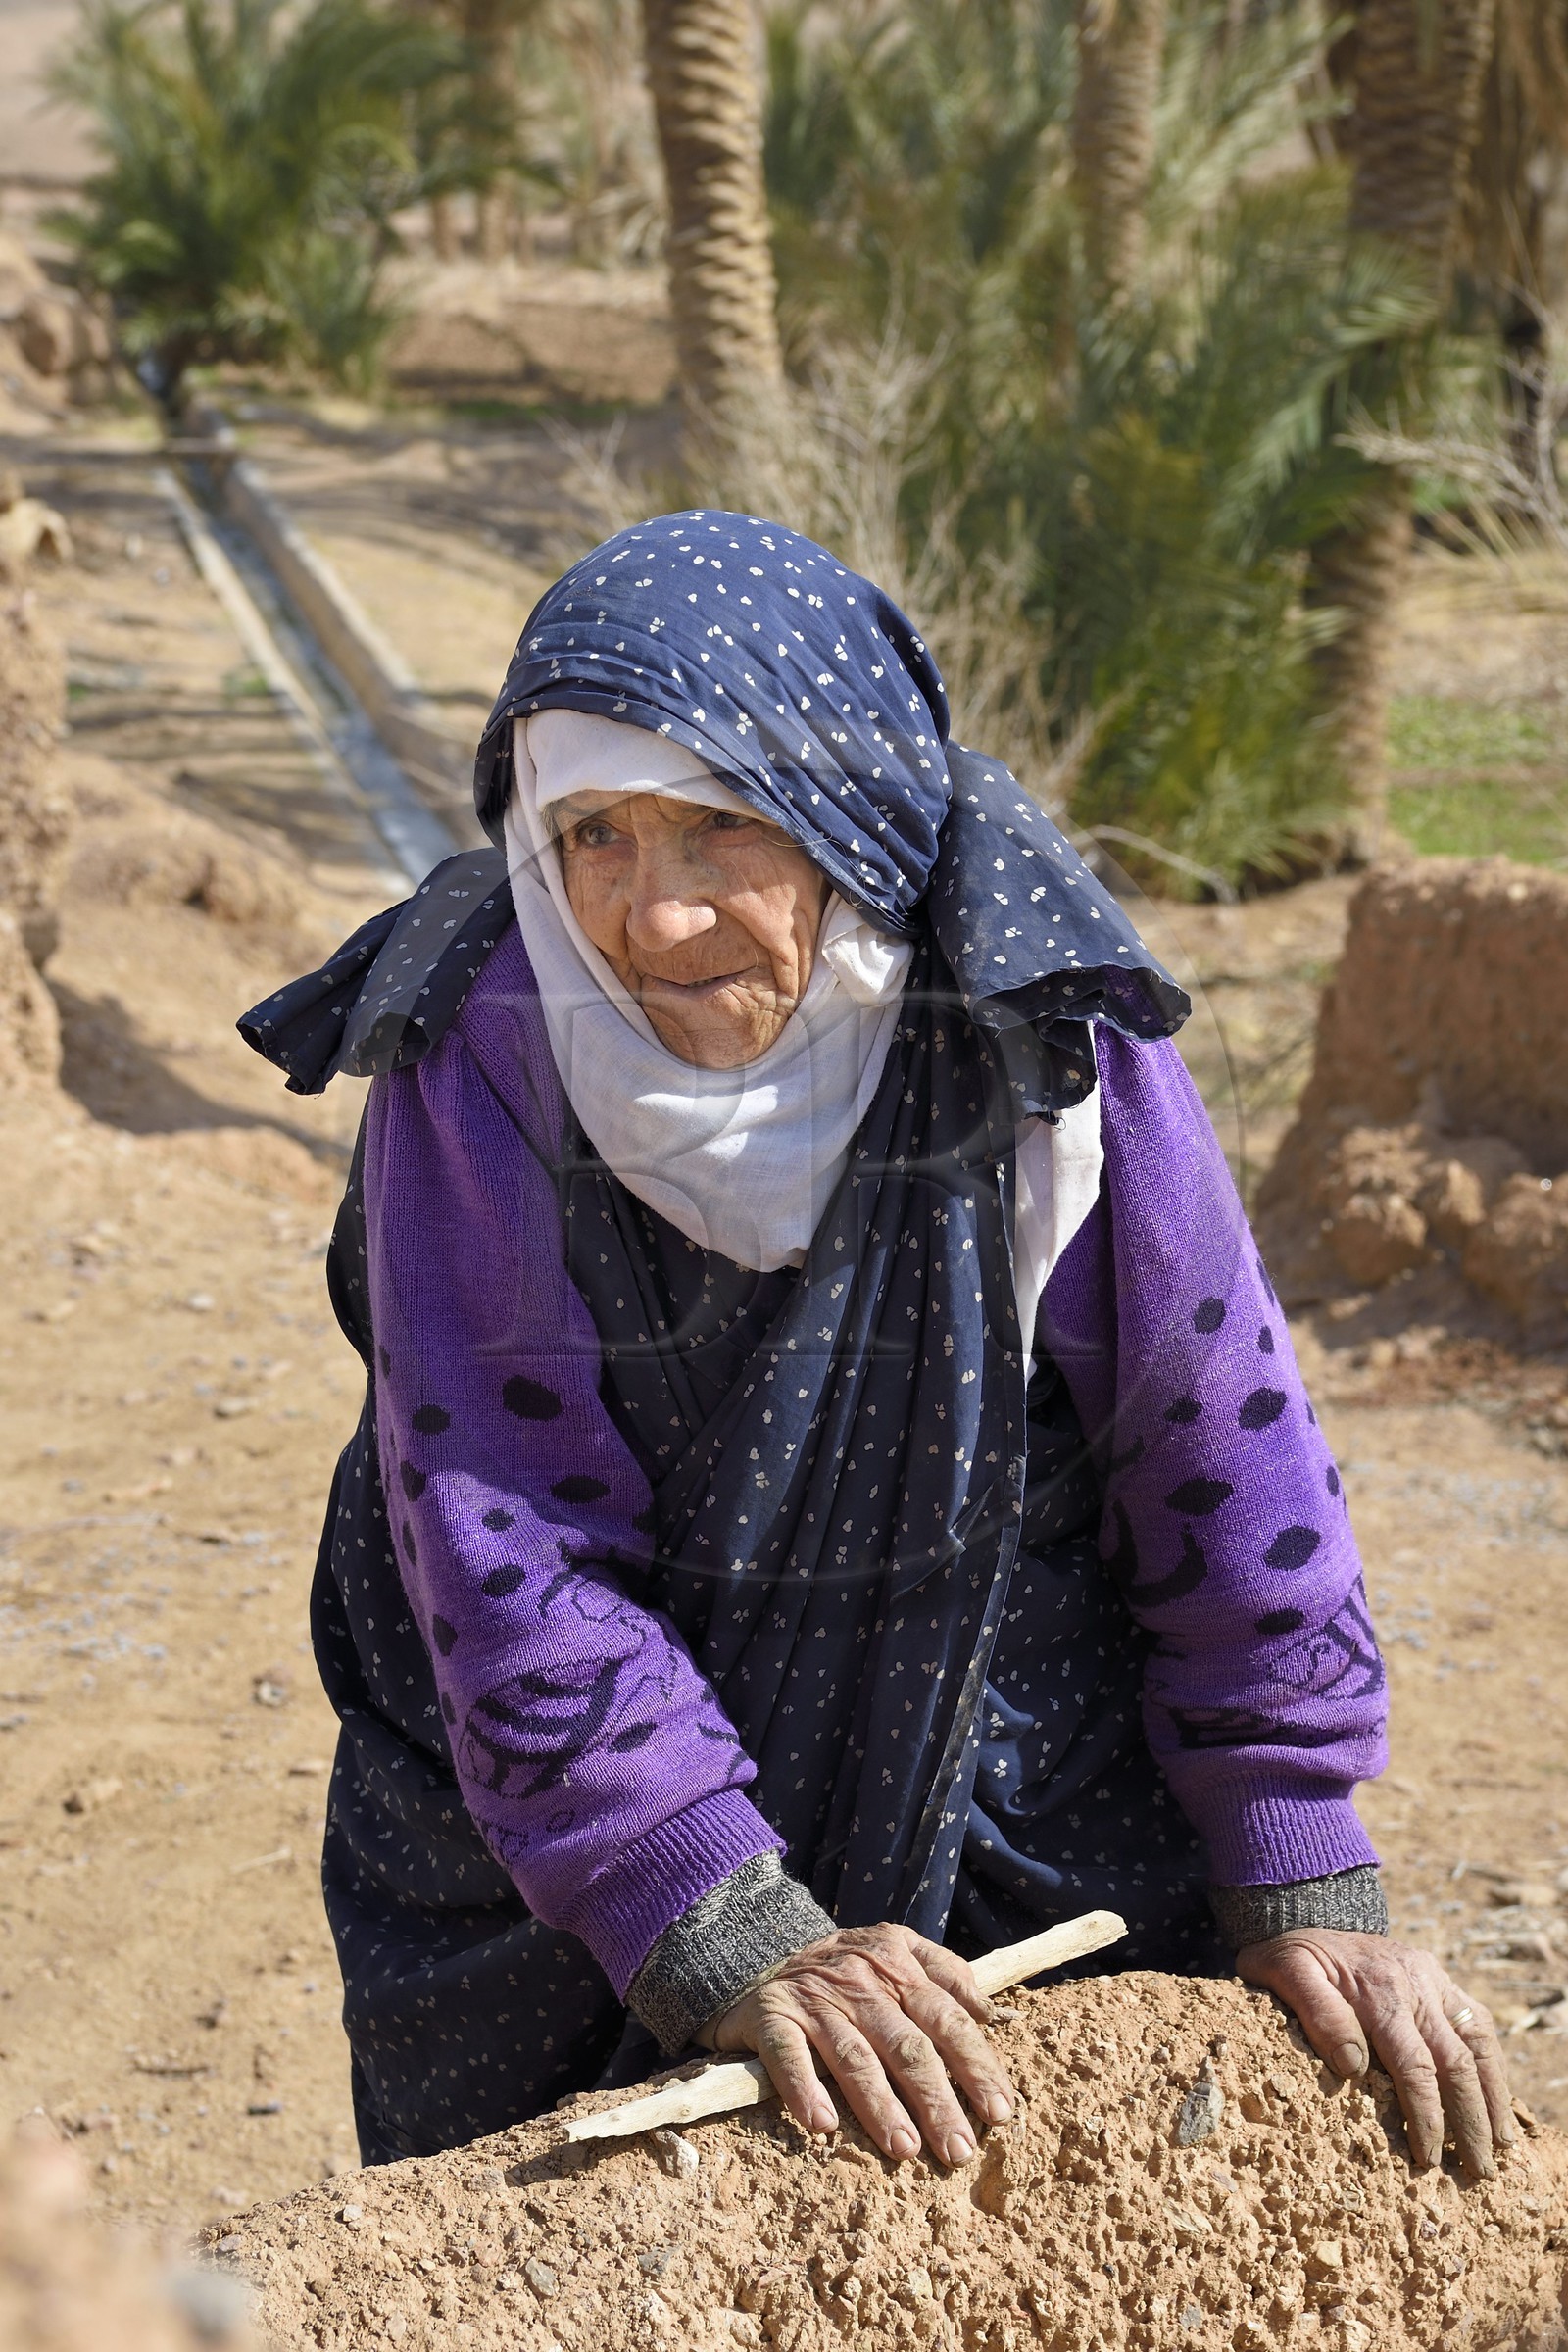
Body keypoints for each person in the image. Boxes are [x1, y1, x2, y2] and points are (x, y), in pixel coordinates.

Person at [242, 510, 1511, 2182]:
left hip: (986, 1697)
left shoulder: (1036, 1026)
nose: (653, 919)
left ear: (850, 819)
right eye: (595, 836)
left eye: (720, 829)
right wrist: (713, 1915)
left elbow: (1215, 1439)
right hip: (557, 1789)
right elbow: (499, 1522)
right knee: (575, 2220)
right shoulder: (484, 1043)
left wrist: (1299, 1857)